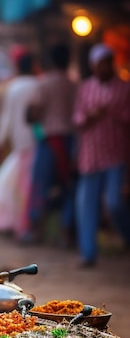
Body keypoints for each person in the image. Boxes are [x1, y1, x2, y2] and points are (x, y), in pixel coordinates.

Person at [71, 43, 130, 268]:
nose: (104, 68)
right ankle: (88, 254)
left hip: (115, 154)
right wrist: (90, 116)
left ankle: (127, 237)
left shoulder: (124, 89)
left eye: (107, 63)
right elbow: (76, 119)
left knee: (114, 202)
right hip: (90, 155)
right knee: (86, 206)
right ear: (93, 66)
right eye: (100, 64)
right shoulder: (85, 89)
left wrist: (110, 112)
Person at [0, 48, 40, 240]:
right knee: (29, 187)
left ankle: (19, 225)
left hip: (18, 143)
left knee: (18, 187)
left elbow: (5, 119)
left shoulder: (12, 88)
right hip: (37, 142)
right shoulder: (36, 85)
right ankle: (25, 226)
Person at [25, 42, 77, 246]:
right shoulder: (74, 84)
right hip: (69, 142)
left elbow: (35, 112)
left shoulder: (44, 83)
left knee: (40, 186)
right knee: (69, 186)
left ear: (51, 60)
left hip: (48, 141)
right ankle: (66, 232)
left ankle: (36, 231)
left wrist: (32, 115)